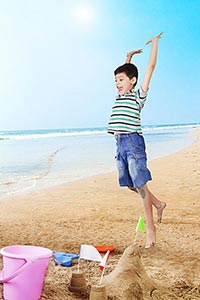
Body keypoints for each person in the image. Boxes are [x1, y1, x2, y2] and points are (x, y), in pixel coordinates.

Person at [107, 32, 166, 248]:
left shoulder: (137, 96)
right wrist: (128, 57)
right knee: (130, 184)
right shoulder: (121, 95)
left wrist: (155, 44)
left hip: (133, 143)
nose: (117, 83)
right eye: (115, 80)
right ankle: (158, 203)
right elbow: (125, 73)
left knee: (140, 184)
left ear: (132, 82)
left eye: (121, 80)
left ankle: (150, 228)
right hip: (119, 144)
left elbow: (149, 69)